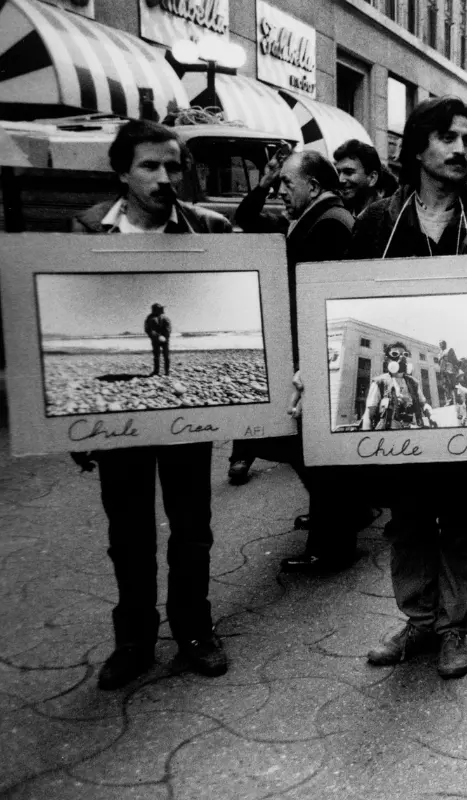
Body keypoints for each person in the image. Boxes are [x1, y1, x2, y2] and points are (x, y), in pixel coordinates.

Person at [345, 96, 467, 679]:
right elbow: (344, 302)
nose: (461, 148)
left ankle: (454, 628)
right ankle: (417, 622)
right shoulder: (377, 223)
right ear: (418, 144)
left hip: (465, 413)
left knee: (458, 525)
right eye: (448, 136)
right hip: (404, 422)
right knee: (408, 521)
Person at [69, 119, 231, 689]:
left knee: (192, 527)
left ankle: (193, 630)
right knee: (128, 531)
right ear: (121, 171)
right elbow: (70, 312)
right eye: (150, 166)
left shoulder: (209, 228)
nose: (166, 178)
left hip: (186, 416)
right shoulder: (87, 231)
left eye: (174, 166)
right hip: (120, 422)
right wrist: (74, 426)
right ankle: (134, 638)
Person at [231, 147, 361, 573]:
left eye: (288, 183)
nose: (281, 191)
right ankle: (332, 526)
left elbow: (327, 300)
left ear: (315, 186)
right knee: (312, 453)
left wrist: (312, 362)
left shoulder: (329, 224)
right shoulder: (318, 218)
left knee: (315, 454)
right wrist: (269, 177)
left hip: (316, 358)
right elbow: (249, 220)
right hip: (311, 355)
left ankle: (331, 545)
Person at [362, 345, 434, 430]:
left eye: (405, 354)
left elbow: (423, 404)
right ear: (387, 359)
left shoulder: (414, 383)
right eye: (395, 354)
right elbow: (368, 415)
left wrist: (427, 408)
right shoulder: (379, 382)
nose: (401, 357)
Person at [333, 138, 387, 218]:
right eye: (338, 173)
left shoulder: (388, 217)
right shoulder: (342, 214)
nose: (340, 180)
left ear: (372, 178)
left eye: (349, 172)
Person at [143, 303, 171, 376]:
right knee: (157, 356)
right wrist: (155, 336)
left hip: (164, 339)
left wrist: (165, 337)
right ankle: (156, 371)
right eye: (160, 308)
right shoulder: (149, 318)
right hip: (155, 339)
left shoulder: (165, 317)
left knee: (166, 355)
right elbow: (147, 329)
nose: (162, 310)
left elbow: (168, 328)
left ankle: (167, 371)